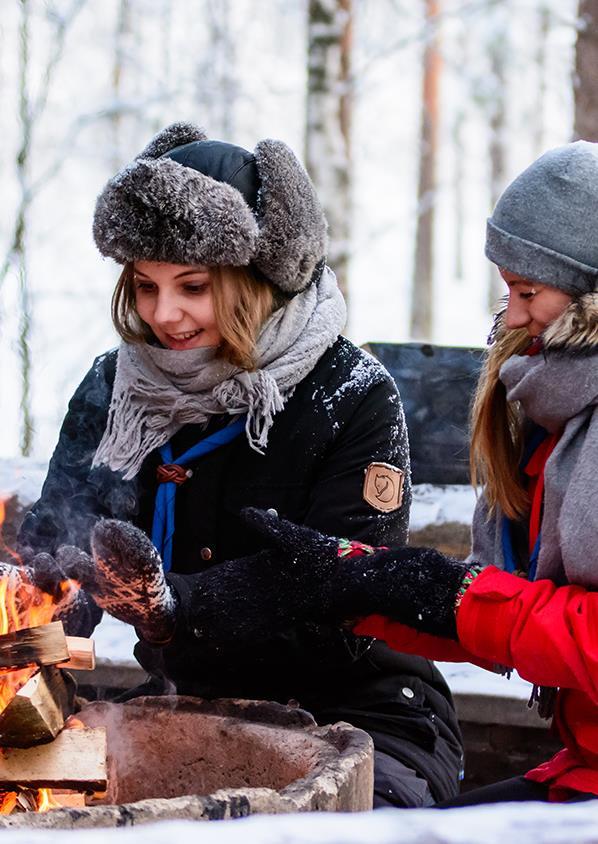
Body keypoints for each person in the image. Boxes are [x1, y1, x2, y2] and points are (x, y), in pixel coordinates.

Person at [14, 122, 463, 808]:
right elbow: (59, 553)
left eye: (193, 286)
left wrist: (175, 607)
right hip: (190, 702)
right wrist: (36, 608)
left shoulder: (352, 393)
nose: (164, 315)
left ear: (256, 279)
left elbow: (343, 598)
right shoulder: (116, 388)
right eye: (144, 286)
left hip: (363, 716)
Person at [225, 141, 598, 805]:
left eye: (528, 291)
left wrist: (437, 588)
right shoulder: (556, 417)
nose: (511, 316)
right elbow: (502, 612)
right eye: (507, 290)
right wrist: (351, 585)